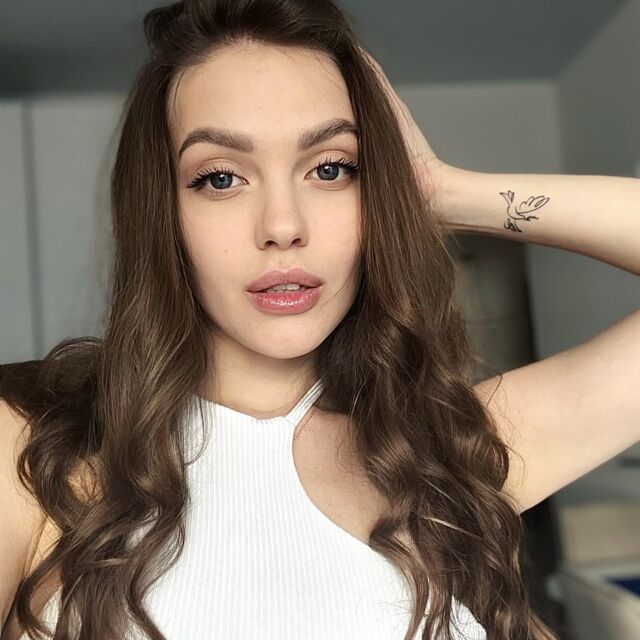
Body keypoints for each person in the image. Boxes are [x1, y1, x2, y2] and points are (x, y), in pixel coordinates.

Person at [1, 0, 639, 639]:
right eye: (220, 178)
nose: (283, 225)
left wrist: (438, 191)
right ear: (162, 213)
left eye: (331, 169)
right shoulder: (34, 453)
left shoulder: (448, 454)